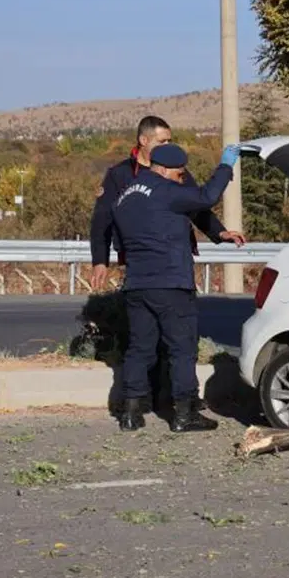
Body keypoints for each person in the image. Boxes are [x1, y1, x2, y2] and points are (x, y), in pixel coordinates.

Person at [111, 143, 241, 432]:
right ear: (166, 169)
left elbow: (119, 244)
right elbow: (206, 197)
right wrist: (226, 165)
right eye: (180, 174)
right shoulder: (166, 190)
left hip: (136, 286)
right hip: (170, 283)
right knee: (182, 349)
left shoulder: (125, 197)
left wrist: (219, 234)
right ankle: (185, 414)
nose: (182, 179)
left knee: (140, 348)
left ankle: (131, 412)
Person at [88, 116, 245, 290]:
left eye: (170, 141)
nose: (168, 145)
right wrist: (100, 261)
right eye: (162, 141)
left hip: (175, 262)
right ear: (143, 140)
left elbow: (197, 206)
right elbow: (102, 221)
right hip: (136, 263)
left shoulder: (176, 170)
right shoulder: (119, 174)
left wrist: (220, 232)